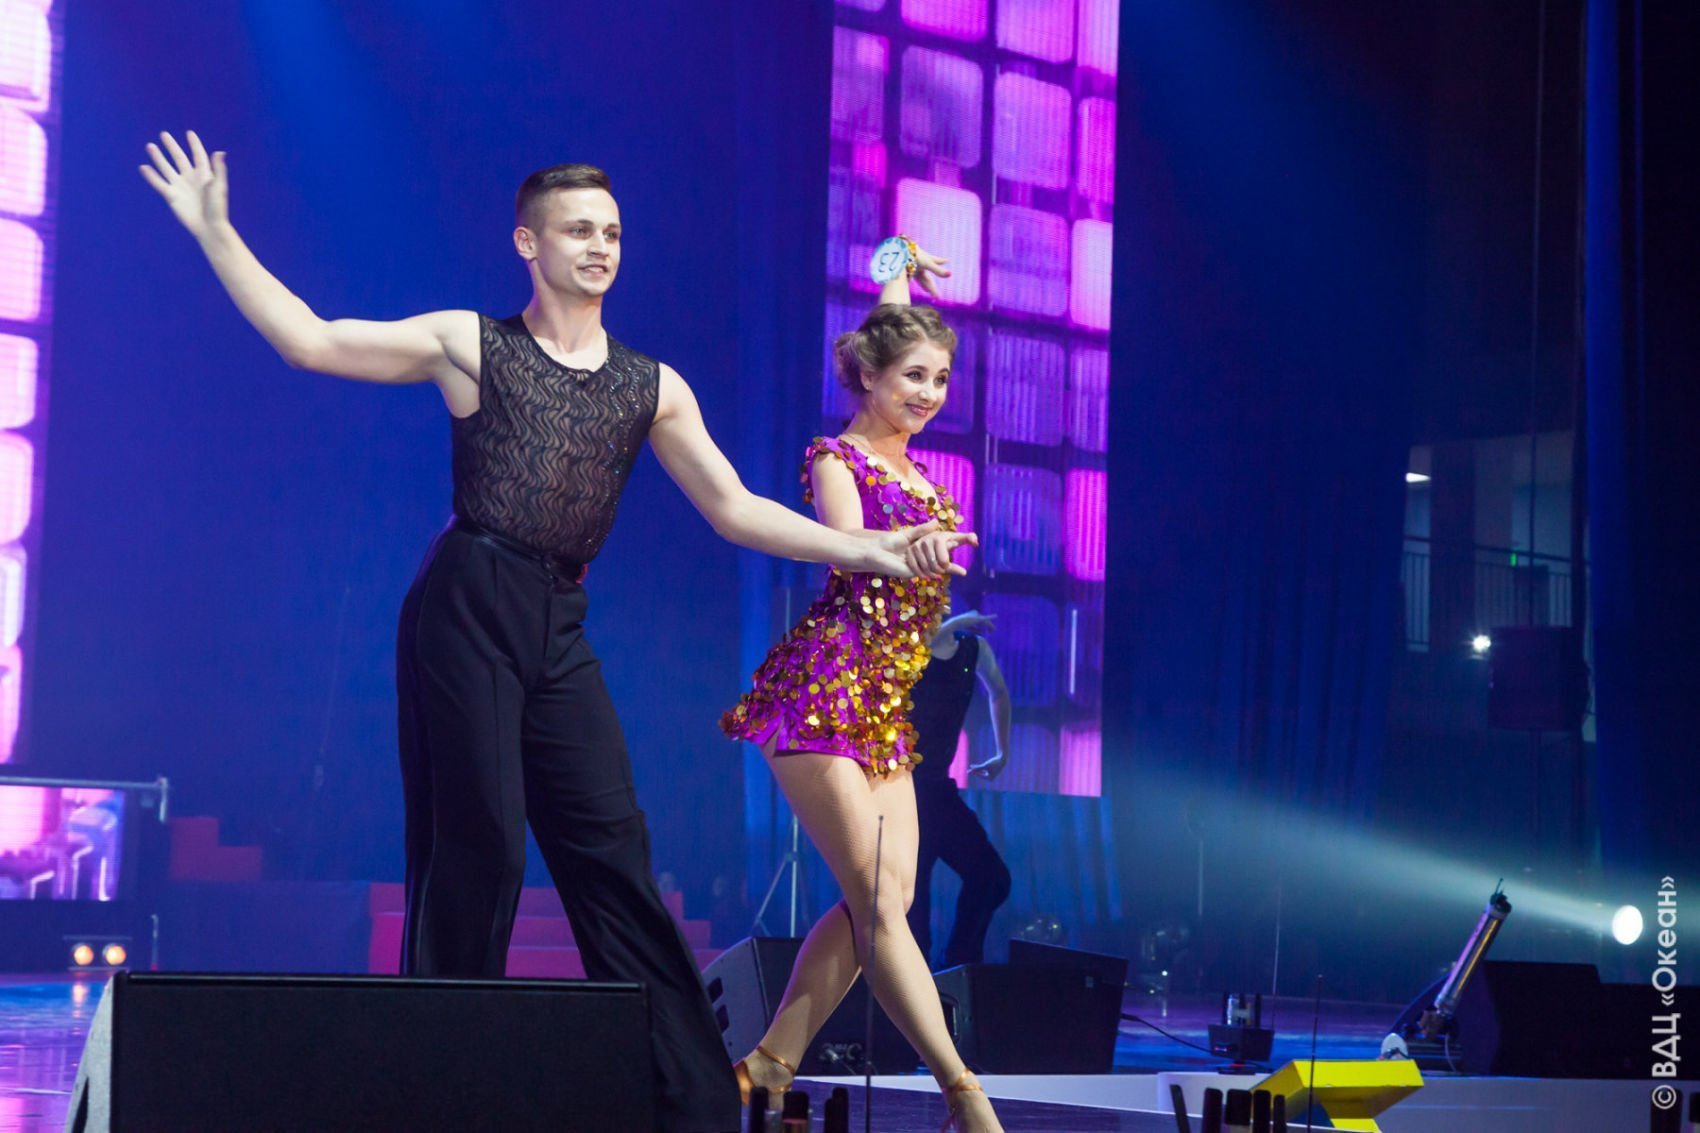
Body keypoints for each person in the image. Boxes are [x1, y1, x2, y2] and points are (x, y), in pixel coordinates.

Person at [140, 132, 953, 1133]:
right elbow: (311, 339)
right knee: (480, 842)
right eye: (578, 230)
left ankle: (692, 1098)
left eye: (611, 232)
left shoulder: (652, 385)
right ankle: (445, 1092)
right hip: (466, 599)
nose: (600, 245)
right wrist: (217, 232)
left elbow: (736, 507)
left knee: (614, 846)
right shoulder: (471, 343)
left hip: (558, 615)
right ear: (528, 242)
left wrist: (871, 549)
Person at [719, 240, 1003, 1132]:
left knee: (884, 902)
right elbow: (846, 547)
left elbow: (891, 306)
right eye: (913, 375)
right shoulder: (838, 459)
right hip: (822, 693)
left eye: (941, 378)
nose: (929, 392)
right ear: (869, 376)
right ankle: (965, 1091)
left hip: (885, 713)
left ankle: (767, 1064)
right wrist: (899, 547)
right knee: (880, 906)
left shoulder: (921, 473)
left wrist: (901, 263)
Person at [905, 608, 1014, 969]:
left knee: (992, 878)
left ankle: (958, 965)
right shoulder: (907, 649)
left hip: (938, 791)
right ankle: (916, 985)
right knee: (913, 903)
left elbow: (998, 692)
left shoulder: (973, 650)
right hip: (902, 792)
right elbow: (924, 646)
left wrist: (1002, 752)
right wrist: (956, 623)